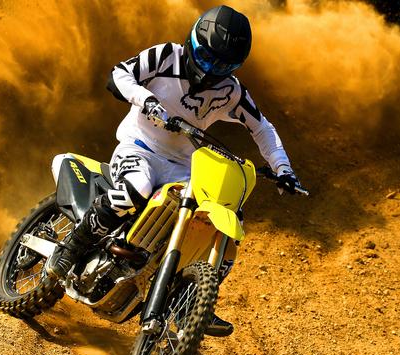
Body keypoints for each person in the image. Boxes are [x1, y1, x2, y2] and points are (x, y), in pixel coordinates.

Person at [47, 5, 301, 337]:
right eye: (205, 58)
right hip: (139, 146)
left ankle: (194, 301)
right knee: (136, 188)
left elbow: (262, 128)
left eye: (222, 66)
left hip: (182, 166)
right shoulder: (167, 56)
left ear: (235, 68)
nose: (210, 70)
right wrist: (146, 100)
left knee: (219, 218)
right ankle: (71, 248)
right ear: (193, 40)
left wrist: (283, 168)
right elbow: (119, 74)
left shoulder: (231, 91)